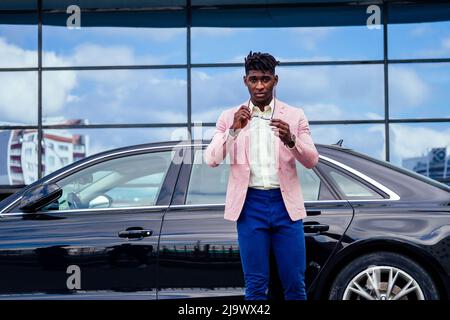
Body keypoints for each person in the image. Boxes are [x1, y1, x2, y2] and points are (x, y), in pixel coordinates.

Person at [204, 51, 319, 300]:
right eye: (254, 79)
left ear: (275, 81)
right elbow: (211, 159)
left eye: (265, 79)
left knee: (294, 285)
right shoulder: (229, 117)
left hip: (286, 207)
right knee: (255, 286)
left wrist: (291, 139)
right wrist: (233, 130)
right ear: (245, 80)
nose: (259, 86)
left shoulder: (294, 115)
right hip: (250, 206)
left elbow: (311, 160)